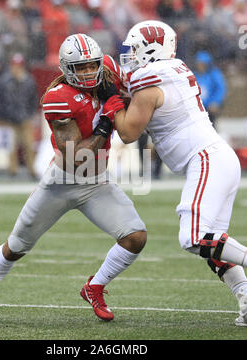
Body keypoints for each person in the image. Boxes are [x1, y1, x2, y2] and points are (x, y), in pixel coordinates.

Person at [0, 34, 146, 322]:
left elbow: (136, 85)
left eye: (91, 65)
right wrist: (107, 122)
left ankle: (94, 287)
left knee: (135, 237)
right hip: (62, 181)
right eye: (80, 68)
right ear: (67, 69)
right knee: (16, 246)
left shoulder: (106, 69)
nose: (88, 72)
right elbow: (75, 155)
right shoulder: (58, 98)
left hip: (97, 183)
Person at [108, 20, 247, 326]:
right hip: (215, 159)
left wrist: (111, 103)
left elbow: (129, 132)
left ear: (150, 50)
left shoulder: (149, 76)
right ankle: (246, 296)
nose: (129, 57)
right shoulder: (172, 69)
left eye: (134, 50)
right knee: (213, 247)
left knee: (194, 237)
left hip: (206, 159)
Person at [0, 52, 38, 178]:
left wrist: (30, 113)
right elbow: (2, 100)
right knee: (11, 145)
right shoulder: (6, 81)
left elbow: (33, 99)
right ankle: (12, 170)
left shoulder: (29, 81)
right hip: (10, 119)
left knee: (28, 145)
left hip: (25, 118)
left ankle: (32, 169)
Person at [194, 50, 227, 128]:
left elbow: (220, 89)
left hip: (209, 107)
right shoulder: (194, 74)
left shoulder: (214, 74)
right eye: (198, 64)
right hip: (197, 107)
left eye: (202, 64)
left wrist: (215, 102)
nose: (200, 66)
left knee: (209, 126)